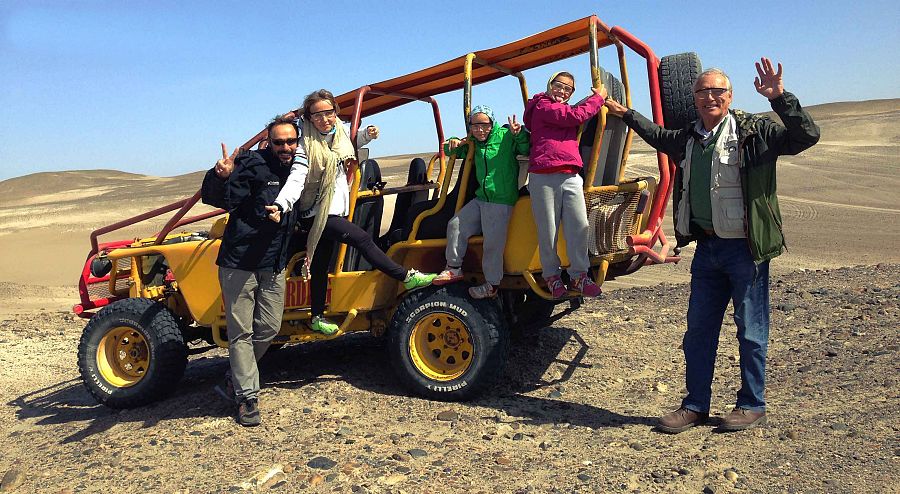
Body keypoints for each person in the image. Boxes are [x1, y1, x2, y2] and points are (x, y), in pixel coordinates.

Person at [604, 57, 820, 433]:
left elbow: (806, 136)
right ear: (694, 97)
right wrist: (625, 113)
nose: (710, 97)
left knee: (751, 330)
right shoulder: (688, 138)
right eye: (702, 91)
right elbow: (655, 134)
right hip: (706, 252)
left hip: (745, 250)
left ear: (730, 95)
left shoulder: (755, 132)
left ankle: (752, 404)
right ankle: (695, 405)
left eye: (717, 90)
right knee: (698, 332)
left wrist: (780, 98)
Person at [267, 89, 436, 335]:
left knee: (321, 267)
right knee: (362, 239)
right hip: (317, 214)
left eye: (328, 112)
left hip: (333, 210)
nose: (324, 119)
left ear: (335, 112)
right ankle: (405, 276)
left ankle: (316, 317)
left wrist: (368, 134)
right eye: (317, 115)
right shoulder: (306, 146)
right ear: (309, 118)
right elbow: (297, 178)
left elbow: (354, 139)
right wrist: (282, 204)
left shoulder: (340, 134)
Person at [200, 115, 300, 427]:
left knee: (269, 328)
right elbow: (220, 199)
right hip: (240, 263)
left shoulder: (300, 169)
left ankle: (235, 375)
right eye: (279, 141)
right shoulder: (253, 164)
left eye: (290, 141)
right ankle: (247, 397)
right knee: (241, 331)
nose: (285, 147)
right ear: (269, 142)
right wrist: (221, 175)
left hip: (274, 263)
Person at [432, 105, 530, 299]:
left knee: (492, 244)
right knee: (456, 225)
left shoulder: (505, 136)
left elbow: (525, 147)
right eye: (475, 126)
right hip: (482, 198)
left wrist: (518, 134)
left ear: (492, 123)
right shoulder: (474, 143)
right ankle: (453, 268)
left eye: (484, 125)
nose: (480, 130)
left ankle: (492, 284)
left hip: (501, 200)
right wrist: (450, 143)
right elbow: (452, 151)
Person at [523, 71, 606, 298]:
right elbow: (574, 117)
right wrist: (599, 97)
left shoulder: (562, 108)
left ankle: (579, 275)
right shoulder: (543, 106)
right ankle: (552, 276)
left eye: (567, 89)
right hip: (544, 175)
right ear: (550, 86)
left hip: (569, 174)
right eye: (559, 86)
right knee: (548, 229)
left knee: (579, 225)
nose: (562, 91)